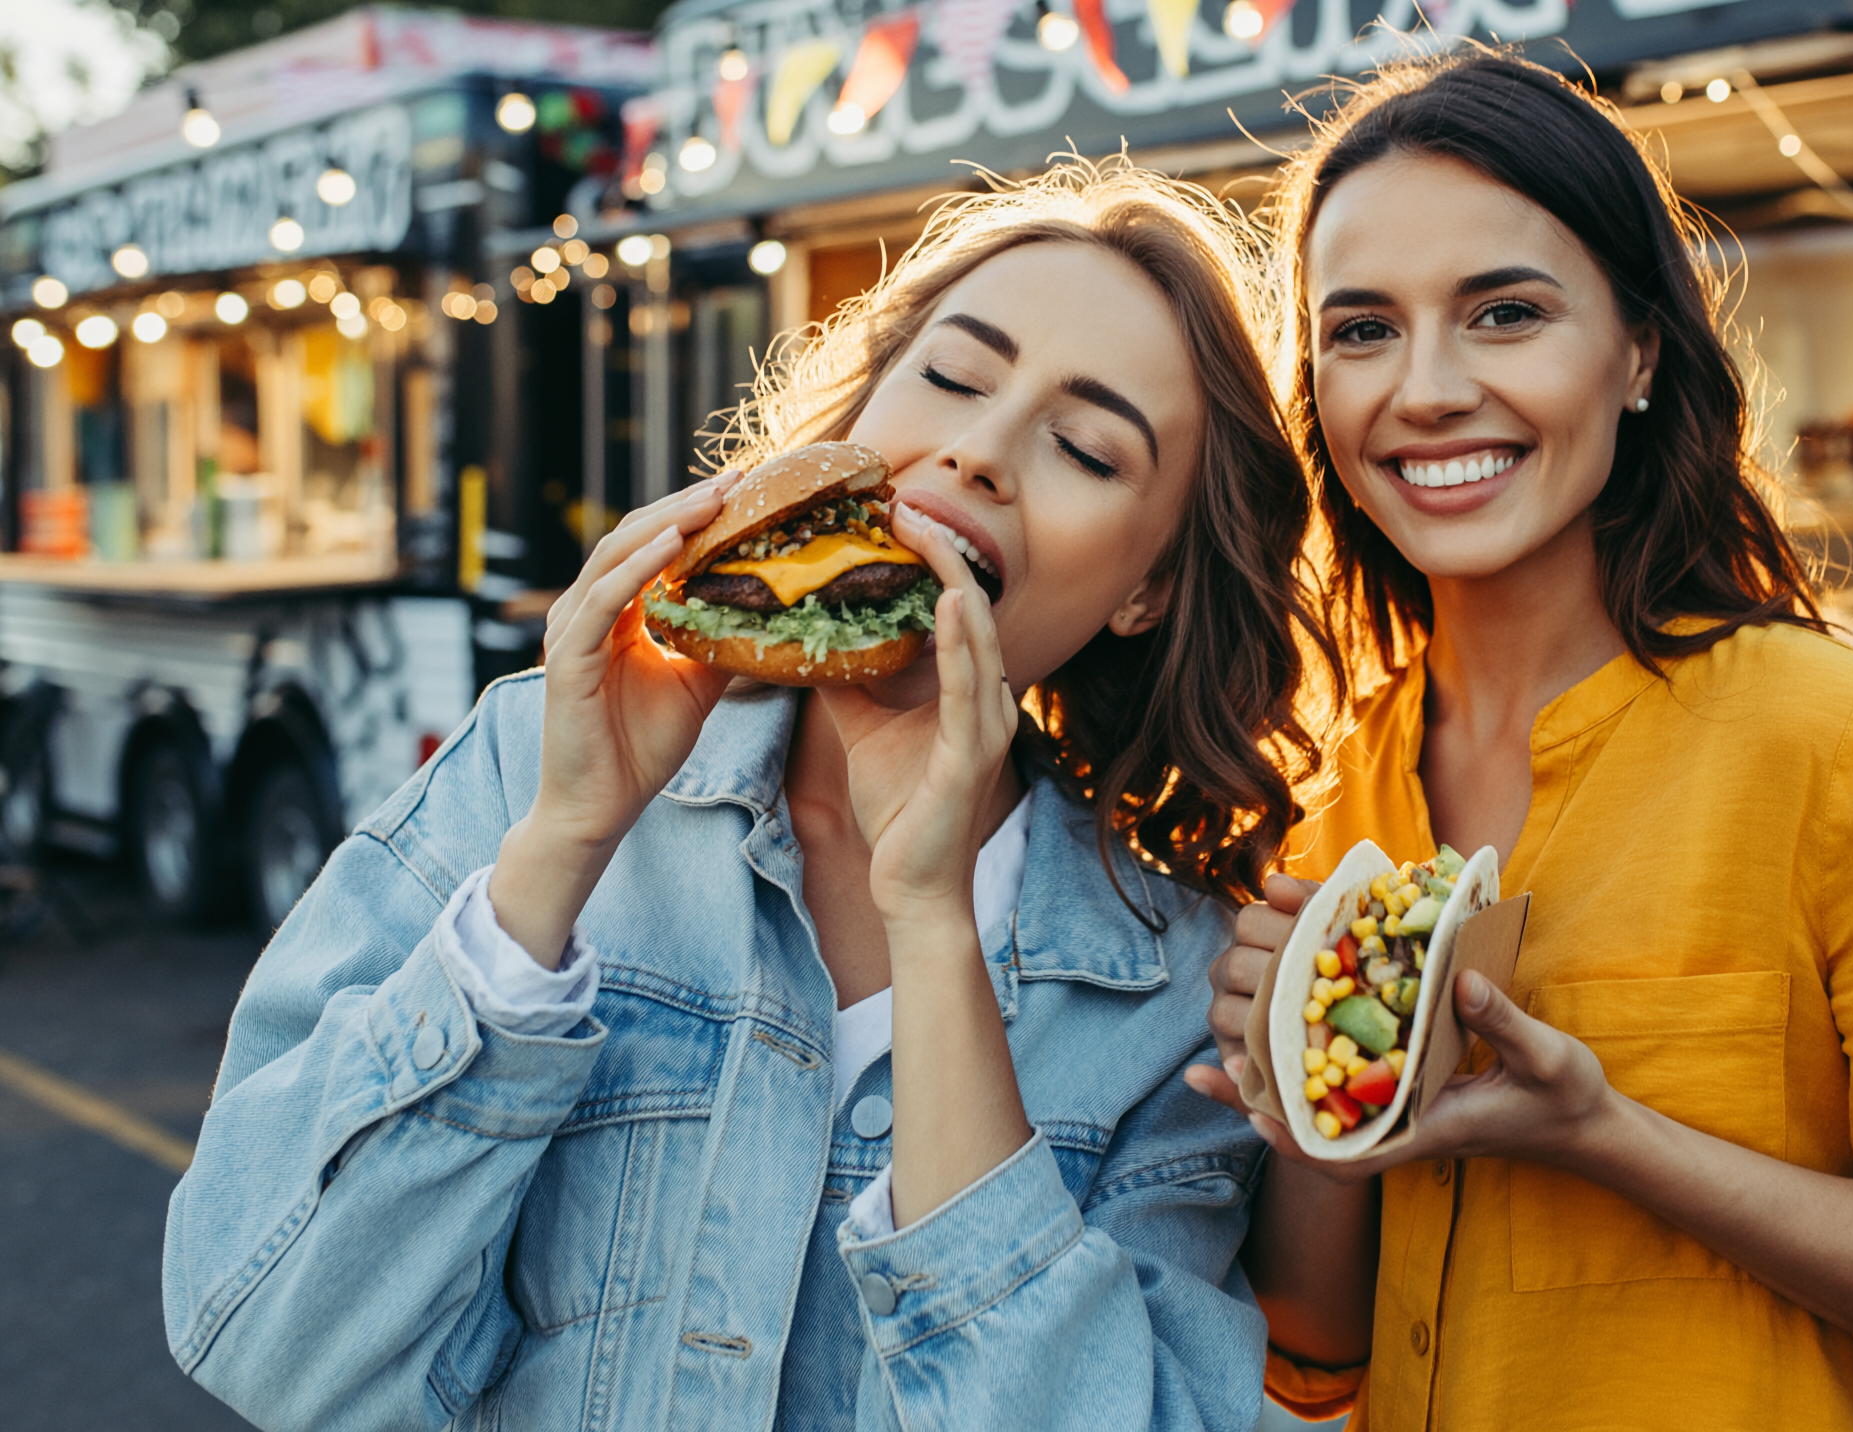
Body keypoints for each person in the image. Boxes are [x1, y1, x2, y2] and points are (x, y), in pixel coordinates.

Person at [163, 159, 1335, 1432]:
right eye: (952, 377)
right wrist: (563, 844)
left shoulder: (1172, 997)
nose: (980, 451)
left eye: (1086, 449)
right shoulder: (528, 763)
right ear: (856, 425)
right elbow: (263, 1340)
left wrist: (932, 923)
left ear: (1146, 590)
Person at [1190, 50, 1853, 1431]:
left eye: (1506, 313)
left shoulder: (1827, 737)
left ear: (1640, 351)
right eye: (1362, 330)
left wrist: (1609, 1137)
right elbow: (1317, 1346)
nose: (1427, 388)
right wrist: (1306, 1110)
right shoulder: (1327, 795)